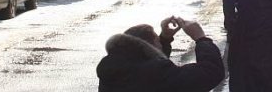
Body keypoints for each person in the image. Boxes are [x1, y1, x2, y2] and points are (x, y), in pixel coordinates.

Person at [96, 16, 224, 92]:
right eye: (157, 41)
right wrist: (201, 39)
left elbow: (149, 65)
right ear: (149, 46)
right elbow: (210, 72)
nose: (160, 44)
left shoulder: (112, 68)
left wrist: (164, 39)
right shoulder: (157, 72)